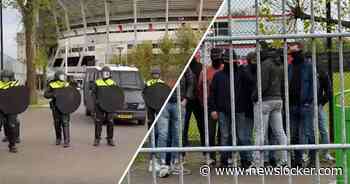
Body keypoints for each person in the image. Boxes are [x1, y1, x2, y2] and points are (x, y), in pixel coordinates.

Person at [208, 49, 253, 168]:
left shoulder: (241, 73)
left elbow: (250, 83)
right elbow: (212, 93)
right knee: (225, 136)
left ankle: (245, 160)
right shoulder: (218, 75)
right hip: (223, 110)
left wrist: (242, 68)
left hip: (239, 109)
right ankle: (224, 160)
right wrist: (213, 109)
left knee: (241, 136)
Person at [250, 48, 288, 168]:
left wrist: (254, 97)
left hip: (265, 100)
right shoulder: (280, 65)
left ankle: (257, 162)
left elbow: (263, 84)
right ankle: (284, 161)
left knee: (260, 132)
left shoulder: (265, 65)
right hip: (278, 100)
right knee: (280, 132)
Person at [155, 70, 193, 177]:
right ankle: (162, 164)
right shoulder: (163, 64)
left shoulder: (185, 67)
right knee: (163, 134)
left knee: (177, 135)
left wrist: (185, 99)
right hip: (164, 103)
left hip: (178, 102)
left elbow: (191, 82)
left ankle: (175, 163)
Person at [288, 43, 315, 167]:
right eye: (291, 53)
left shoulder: (308, 66)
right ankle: (297, 160)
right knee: (293, 134)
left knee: (309, 133)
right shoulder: (290, 67)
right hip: (292, 105)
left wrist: (309, 101)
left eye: (295, 52)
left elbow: (315, 85)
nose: (293, 55)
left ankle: (313, 159)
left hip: (305, 105)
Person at [196, 47, 224, 165]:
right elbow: (199, 89)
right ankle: (211, 157)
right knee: (210, 133)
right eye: (214, 56)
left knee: (223, 133)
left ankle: (224, 157)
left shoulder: (225, 69)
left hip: (223, 106)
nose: (216, 58)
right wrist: (203, 104)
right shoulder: (205, 71)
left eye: (218, 56)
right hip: (209, 106)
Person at [44, 70, 72, 148]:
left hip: (65, 106)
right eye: (61, 76)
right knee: (57, 123)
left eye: (64, 76)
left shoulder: (67, 84)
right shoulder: (52, 84)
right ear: (57, 76)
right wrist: (53, 94)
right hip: (55, 107)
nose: (63, 77)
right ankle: (58, 138)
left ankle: (67, 140)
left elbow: (72, 94)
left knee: (65, 122)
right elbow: (46, 94)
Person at [91, 66, 117, 147]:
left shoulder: (113, 83)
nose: (106, 74)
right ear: (101, 74)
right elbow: (93, 93)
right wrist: (96, 101)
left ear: (110, 74)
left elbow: (116, 95)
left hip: (109, 106)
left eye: (107, 73)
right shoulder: (97, 82)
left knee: (110, 121)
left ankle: (110, 139)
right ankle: (97, 139)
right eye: (104, 73)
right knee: (98, 122)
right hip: (99, 106)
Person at [317, 61, 334, 161]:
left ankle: (325, 153)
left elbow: (329, 89)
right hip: (306, 105)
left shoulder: (321, 71)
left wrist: (322, 101)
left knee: (324, 129)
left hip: (317, 104)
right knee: (307, 130)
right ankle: (307, 154)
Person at [0, 70, 21, 152]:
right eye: (3, 77)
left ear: (11, 78)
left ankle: (12, 145)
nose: (5, 79)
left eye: (7, 78)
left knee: (11, 126)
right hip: (0, 109)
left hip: (11, 109)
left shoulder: (15, 84)